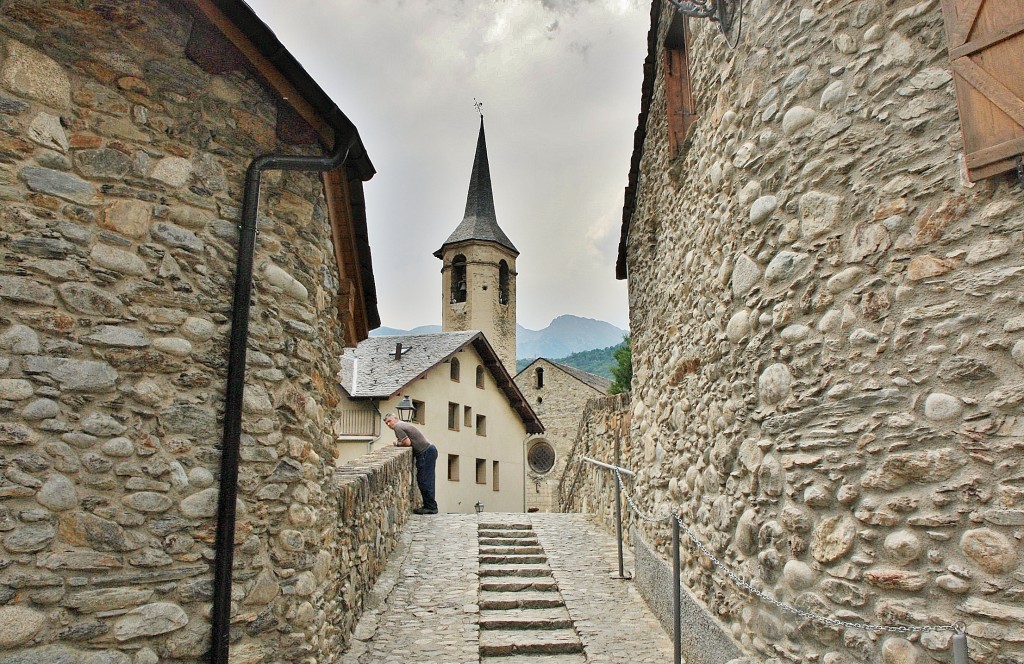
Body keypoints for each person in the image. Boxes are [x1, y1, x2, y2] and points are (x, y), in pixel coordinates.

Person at [384, 413, 438, 514]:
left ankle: (431, 507)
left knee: (424, 480)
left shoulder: (397, 427)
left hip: (425, 452)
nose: (388, 424)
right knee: (427, 479)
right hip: (429, 450)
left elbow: (407, 443)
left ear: (395, 419)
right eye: (386, 423)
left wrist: (396, 444)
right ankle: (430, 505)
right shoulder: (403, 424)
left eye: (389, 421)